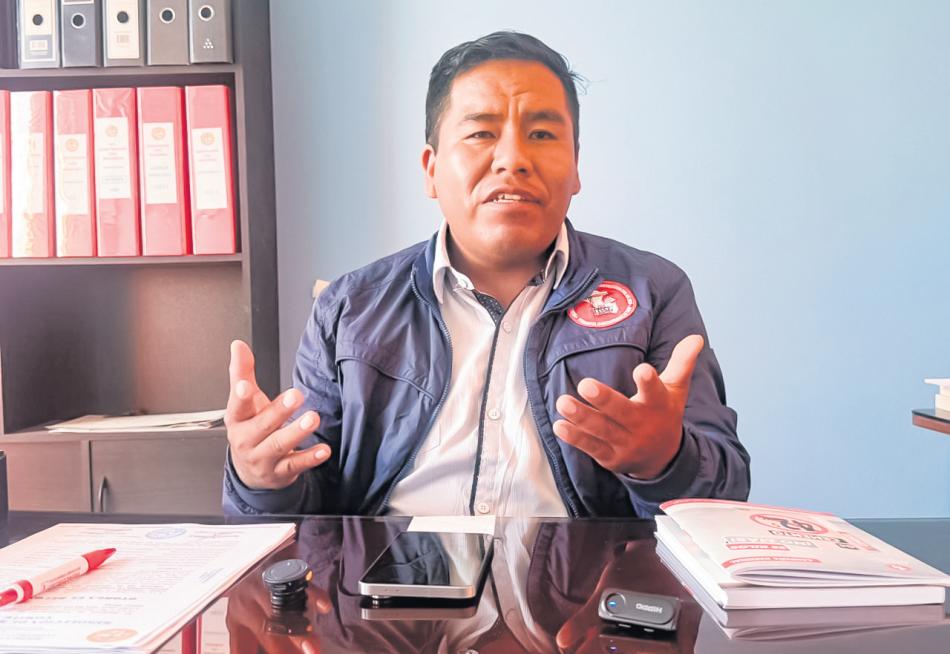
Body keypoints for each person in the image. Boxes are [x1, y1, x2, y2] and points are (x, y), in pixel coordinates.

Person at [223, 31, 750, 518]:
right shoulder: (349, 305)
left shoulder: (653, 290)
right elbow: (309, 507)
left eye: (541, 133)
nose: (512, 159)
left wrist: (664, 462)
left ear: (576, 167)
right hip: (388, 583)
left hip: (588, 584)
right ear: (431, 169)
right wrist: (260, 479)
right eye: (480, 133)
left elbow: (723, 493)